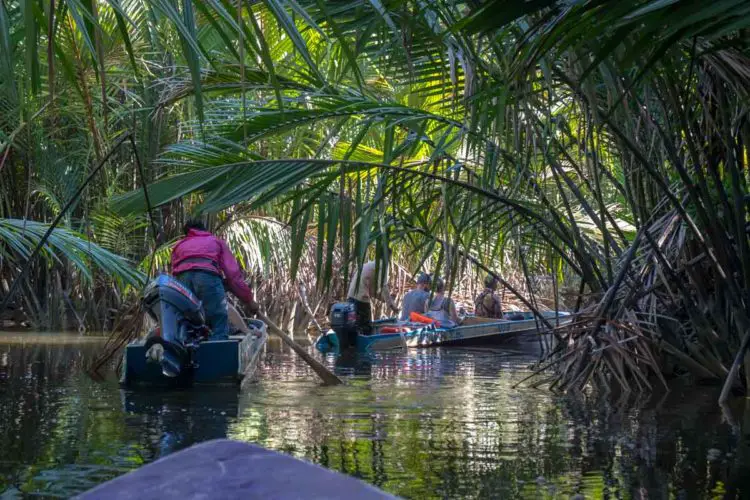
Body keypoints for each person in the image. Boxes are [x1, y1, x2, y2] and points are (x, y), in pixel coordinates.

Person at [171, 219, 259, 340]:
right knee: (219, 320)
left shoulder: (178, 246)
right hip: (207, 278)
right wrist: (249, 300)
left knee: (188, 322)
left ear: (186, 234)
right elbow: (233, 276)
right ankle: (217, 351)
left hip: (183, 282)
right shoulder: (215, 241)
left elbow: (176, 272)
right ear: (204, 230)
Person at [347, 256, 399, 335]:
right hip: (361, 299)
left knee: (355, 326)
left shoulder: (371, 265)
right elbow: (384, 286)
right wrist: (392, 305)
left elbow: (373, 291)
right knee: (366, 327)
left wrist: (385, 300)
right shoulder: (382, 265)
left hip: (351, 298)